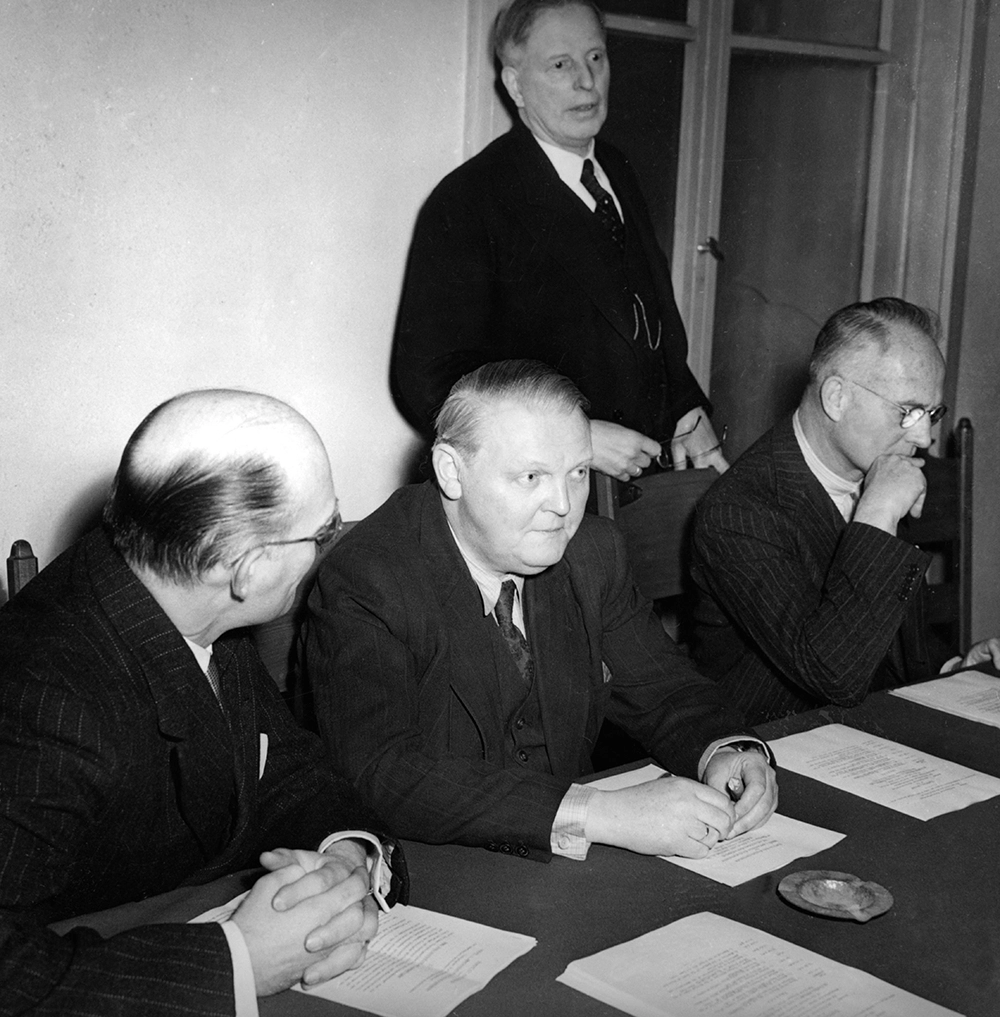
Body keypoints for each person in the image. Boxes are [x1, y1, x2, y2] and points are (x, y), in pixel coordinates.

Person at [0, 390, 407, 1017]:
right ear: (247, 569)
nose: (331, 546)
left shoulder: (184, 598)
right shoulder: (42, 698)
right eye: (323, 531)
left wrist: (347, 859)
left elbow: (293, 772)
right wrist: (239, 960)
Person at [304, 360, 776, 863]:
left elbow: (664, 689)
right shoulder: (371, 576)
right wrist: (601, 813)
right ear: (451, 471)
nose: (563, 505)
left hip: (566, 873)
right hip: (435, 871)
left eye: (577, 473)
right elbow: (384, 770)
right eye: (531, 476)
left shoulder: (593, 551)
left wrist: (727, 749)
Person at [391, 0, 726, 484]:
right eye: (560, 65)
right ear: (516, 84)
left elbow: (646, 326)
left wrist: (688, 410)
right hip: (538, 495)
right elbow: (426, 380)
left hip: (646, 485)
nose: (587, 82)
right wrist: (575, 438)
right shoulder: (468, 201)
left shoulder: (617, 169)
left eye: (596, 57)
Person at [689, 298, 1000, 726]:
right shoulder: (739, 511)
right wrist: (876, 515)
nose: (926, 437)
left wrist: (953, 669)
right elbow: (831, 673)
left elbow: (881, 629)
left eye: (931, 413)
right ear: (836, 398)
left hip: (862, 729)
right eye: (908, 411)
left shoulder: (877, 469)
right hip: (769, 743)